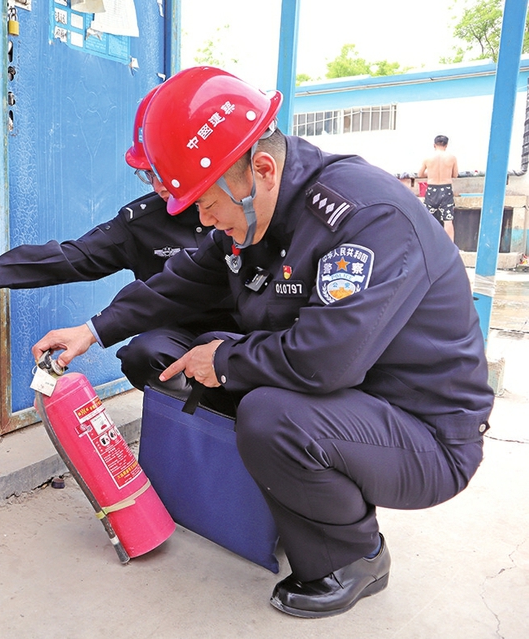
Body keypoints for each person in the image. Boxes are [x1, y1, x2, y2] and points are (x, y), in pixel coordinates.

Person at [33, 67, 493, 618]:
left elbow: (327, 359)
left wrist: (225, 360)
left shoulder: (367, 218)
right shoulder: (256, 216)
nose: (201, 220)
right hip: (354, 405)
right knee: (167, 357)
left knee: (271, 416)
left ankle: (354, 556)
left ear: (263, 169)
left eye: (206, 203)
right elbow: (176, 285)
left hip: (425, 432)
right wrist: (91, 331)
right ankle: (263, 501)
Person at [0, 86, 237, 396]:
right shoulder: (143, 221)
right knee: (141, 354)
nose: (158, 184)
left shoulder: (242, 211)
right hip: (179, 333)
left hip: (245, 331)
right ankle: (196, 426)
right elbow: (72, 257)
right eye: (149, 172)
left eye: (165, 170)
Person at [419, 134, 459, 242]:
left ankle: (426, 243)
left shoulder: (428, 158)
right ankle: (450, 246)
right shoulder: (452, 157)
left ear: (434, 145)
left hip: (432, 189)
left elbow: (420, 173)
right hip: (446, 189)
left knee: (428, 218)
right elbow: (455, 174)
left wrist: (432, 173)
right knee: (448, 219)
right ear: (446, 145)